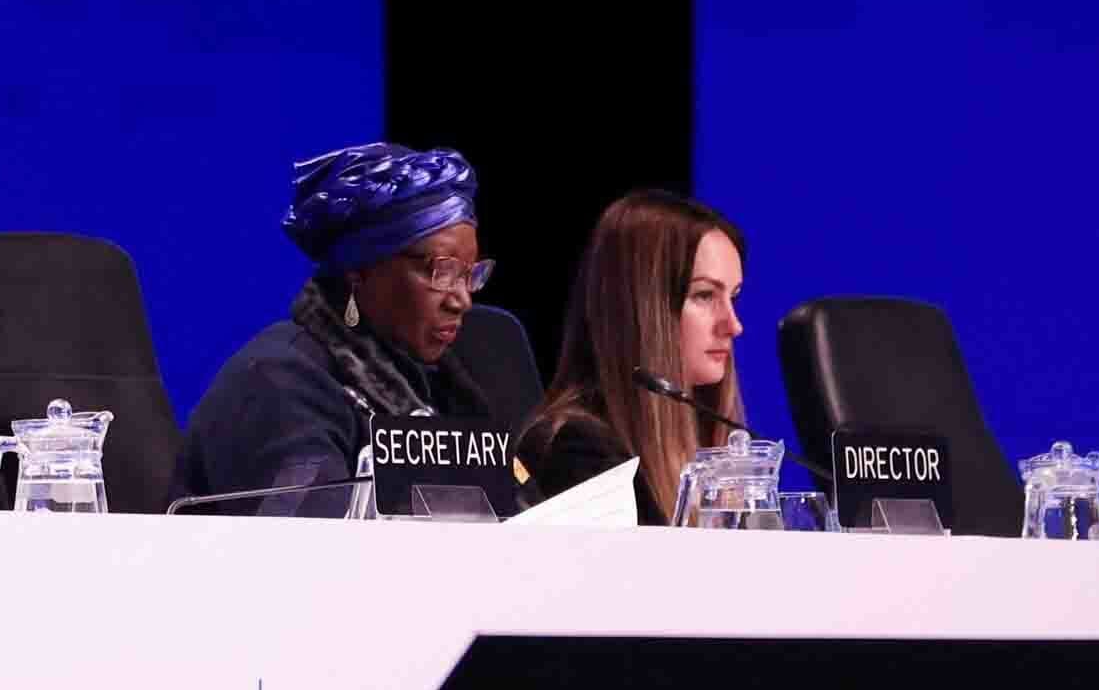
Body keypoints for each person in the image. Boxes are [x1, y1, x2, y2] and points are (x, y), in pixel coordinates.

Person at [179, 141, 515, 515]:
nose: (461, 299)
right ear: (360, 269)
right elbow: (313, 557)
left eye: (470, 275)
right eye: (440, 271)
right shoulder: (276, 382)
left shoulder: (449, 388)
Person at [509, 190, 749, 522]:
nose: (733, 325)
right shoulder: (580, 454)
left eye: (733, 296)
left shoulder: (705, 438)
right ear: (641, 309)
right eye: (705, 295)